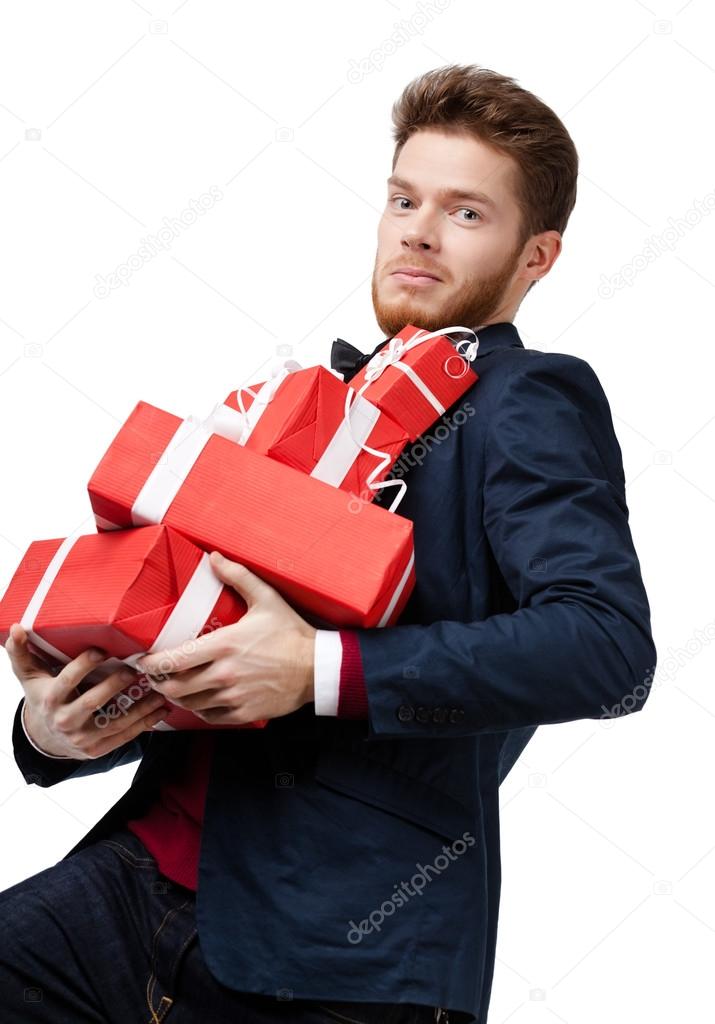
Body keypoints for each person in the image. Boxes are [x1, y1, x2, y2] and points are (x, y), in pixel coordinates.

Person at [0, 64, 656, 1023]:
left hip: (338, 949)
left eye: (465, 213)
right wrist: (55, 733)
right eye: (403, 199)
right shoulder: (306, 408)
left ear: (536, 256)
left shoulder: (529, 399)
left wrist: (317, 668)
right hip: (122, 888)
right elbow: (195, 637)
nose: (417, 232)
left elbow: (607, 651)